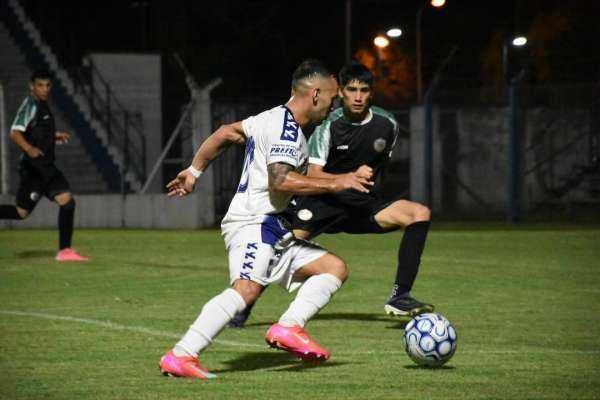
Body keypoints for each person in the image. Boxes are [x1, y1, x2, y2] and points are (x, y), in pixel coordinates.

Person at [159, 59, 372, 380]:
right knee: (245, 290)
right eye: (332, 98)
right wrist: (338, 182)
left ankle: (289, 327)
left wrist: (194, 170)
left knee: (333, 268)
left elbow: (225, 132)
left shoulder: (270, 117)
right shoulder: (287, 129)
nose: (334, 106)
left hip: (273, 228)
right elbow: (280, 181)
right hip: (254, 224)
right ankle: (181, 354)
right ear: (315, 94)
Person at [229, 61, 433, 328]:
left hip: (361, 203)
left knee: (418, 213)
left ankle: (400, 296)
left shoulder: (388, 124)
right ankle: (242, 307)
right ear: (341, 93)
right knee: (278, 247)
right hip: (322, 202)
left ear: (371, 93)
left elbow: (378, 166)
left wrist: (365, 185)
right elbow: (314, 173)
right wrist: (347, 178)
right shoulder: (328, 125)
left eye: (364, 90)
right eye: (351, 90)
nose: (358, 97)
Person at [0, 70, 88, 262]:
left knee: (64, 201)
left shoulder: (42, 105)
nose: (45, 89)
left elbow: (36, 131)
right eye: (40, 85)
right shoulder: (30, 105)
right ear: (31, 86)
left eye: (48, 85)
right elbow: (15, 132)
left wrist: (54, 136)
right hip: (34, 169)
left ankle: (65, 251)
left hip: (45, 167)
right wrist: (29, 148)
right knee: (22, 212)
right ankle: (64, 251)